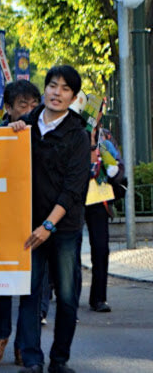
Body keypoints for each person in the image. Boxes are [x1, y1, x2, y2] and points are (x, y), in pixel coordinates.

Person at [7, 65, 91, 373]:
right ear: (45, 89)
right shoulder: (25, 126)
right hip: (27, 225)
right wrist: (10, 133)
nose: (57, 92)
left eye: (65, 88)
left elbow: (73, 189)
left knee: (67, 298)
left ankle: (59, 359)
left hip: (63, 228)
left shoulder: (79, 135)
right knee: (29, 295)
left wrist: (49, 225)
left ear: (73, 96)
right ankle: (32, 360)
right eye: (53, 85)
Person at [0, 79, 41, 365]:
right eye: (23, 105)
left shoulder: (45, 130)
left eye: (34, 105)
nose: (30, 111)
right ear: (8, 108)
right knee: (2, 281)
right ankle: (0, 335)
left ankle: (24, 342)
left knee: (33, 286)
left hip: (37, 218)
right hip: (3, 216)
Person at [84, 126, 124, 313]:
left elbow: (119, 167)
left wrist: (113, 169)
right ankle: (61, 290)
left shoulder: (105, 137)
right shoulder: (69, 131)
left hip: (99, 199)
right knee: (67, 249)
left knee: (100, 249)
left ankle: (99, 298)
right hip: (72, 198)